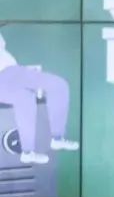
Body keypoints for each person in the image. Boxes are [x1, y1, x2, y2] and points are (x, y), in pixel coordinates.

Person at [0, 27, 79, 165]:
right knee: (28, 97)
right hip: (8, 74)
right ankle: (34, 148)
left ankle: (39, 147)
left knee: (33, 95)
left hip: (12, 71)